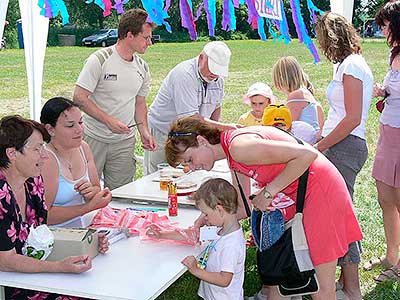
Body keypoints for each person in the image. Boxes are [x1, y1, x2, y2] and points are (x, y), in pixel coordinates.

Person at [164, 116, 363, 300]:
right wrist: (206, 218)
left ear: (201, 141)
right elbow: (242, 208)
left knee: (320, 288)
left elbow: (307, 154)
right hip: (299, 195)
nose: (192, 166)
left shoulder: (238, 147)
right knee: (278, 279)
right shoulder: (231, 152)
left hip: (321, 192)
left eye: (189, 159)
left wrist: (268, 193)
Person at [0, 115, 109, 300]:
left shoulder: (32, 182)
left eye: (43, 146)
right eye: (37, 148)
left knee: (101, 286)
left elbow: (40, 234)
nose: (44, 155)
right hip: (13, 282)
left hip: (33, 274)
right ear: (12, 154)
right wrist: (59, 266)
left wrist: (84, 243)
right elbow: (6, 261)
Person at [314, 12, 373, 300]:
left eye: (323, 41)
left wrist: (322, 145)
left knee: (342, 217)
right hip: (341, 144)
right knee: (340, 215)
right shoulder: (348, 65)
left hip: (344, 147)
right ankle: (346, 282)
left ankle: (352, 288)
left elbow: (351, 118)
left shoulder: (351, 66)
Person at [73, 8, 156, 191]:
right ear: (129, 35)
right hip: (93, 138)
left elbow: (140, 102)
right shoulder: (99, 59)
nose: (150, 43)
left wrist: (144, 131)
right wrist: (108, 121)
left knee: (122, 193)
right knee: (87, 191)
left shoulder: (143, 67)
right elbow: (79, 97)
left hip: (124, 142)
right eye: (146, 37)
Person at [146, 178, 245, 300]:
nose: (204, 218)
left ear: (219, 210)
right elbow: (192, 235)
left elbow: (224, 280)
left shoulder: (231, 245)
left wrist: (196, 270)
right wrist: (162, 235)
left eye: (206, 214)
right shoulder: (220, 230)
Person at [144, 41, 232, 175]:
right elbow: (191, 119)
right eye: (213, 68)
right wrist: (228, 128)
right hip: (164, 133)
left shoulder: (217, 79)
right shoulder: (184, 74)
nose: (215, 74)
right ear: (202, 58)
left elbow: (216, 107)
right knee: (160, 175)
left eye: (219, 70)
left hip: (192, 135)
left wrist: (215, 135)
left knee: (190, 174)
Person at [365, 0, 400, 282]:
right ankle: (391, 256)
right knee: (385, 198)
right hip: (388, 133)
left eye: (385, 24)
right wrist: (384, 92)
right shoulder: (394, 54)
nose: (382, 29)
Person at [40, 97, 112, 227]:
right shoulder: (46, 159)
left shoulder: (83, 147)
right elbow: (44, 215)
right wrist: (88, 207)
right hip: (56, 235)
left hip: (85, 227)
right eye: (70, 125)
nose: (79, 129)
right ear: (50, 129)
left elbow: (96, 188)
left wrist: (92, 192)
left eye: (80, 122)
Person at [272, 56, 324, 140]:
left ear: (281, 79)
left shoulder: (295, 96)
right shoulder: (305, 93)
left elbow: (288, 127)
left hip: (304, 141)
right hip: (312, 139)